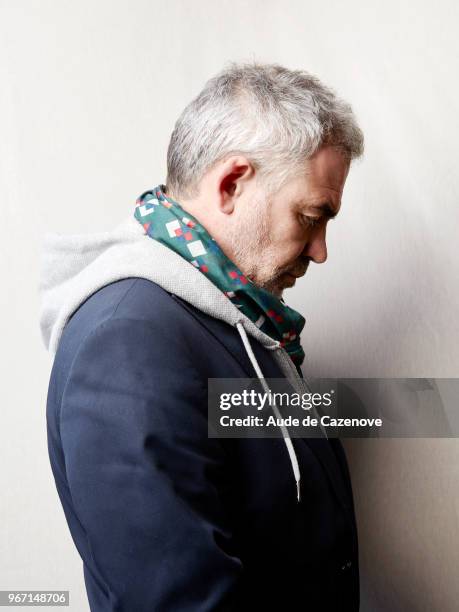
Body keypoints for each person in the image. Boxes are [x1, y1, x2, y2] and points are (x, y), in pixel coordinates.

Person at [39, 61, 364, 611]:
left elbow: (261, 436)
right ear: (232, 184)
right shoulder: (130, 341)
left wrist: (433, 406)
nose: (320, 250)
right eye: (311, 216)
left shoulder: (236, 323)